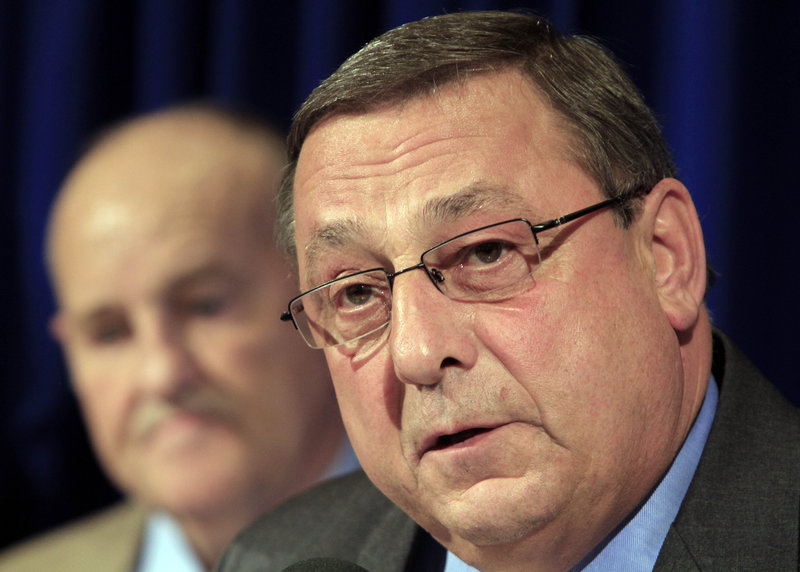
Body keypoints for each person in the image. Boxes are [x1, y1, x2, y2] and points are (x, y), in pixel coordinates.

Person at [216, 11, 800, 572]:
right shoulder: (273, 556)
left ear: (665, 256)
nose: (415, 354)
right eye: (357, 294)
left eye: (485, 253)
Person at [0, 104, 357, 572]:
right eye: (109, 333)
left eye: (205, 306)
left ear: (320, 300)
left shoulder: (467, 552)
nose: (162, 375)